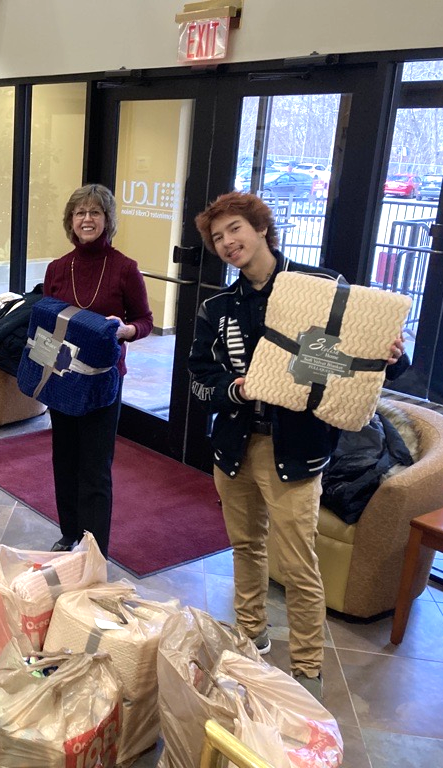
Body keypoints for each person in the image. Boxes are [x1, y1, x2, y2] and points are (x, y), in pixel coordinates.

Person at [188, 191, 407, 701]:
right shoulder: (217, 307)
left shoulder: (322, 287)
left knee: (298, 563)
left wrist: (390, 355)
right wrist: (233, 389)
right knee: (245, 547)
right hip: (235, 445)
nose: (227, 243)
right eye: (217, 238)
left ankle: (307, 665)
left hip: (298, 451)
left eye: (235, 229)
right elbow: (199, 378)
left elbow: (361, 357)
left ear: (261, 227)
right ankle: (250, 634)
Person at [42, 184, 153, 559]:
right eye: (79, 213)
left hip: (104, 381)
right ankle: (69, 532)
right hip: (62, 377)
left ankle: (93, 548)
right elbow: (47, 322)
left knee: (95, 466)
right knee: (64, 459)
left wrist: (126, 331)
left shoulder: (125, 268)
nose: (86, 219)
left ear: (107, 220)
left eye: (95, 213)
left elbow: (145, 320)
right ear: (70, 222)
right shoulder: (58, 268)